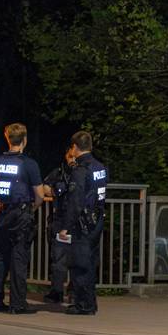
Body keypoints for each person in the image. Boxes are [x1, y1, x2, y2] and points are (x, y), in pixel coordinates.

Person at [0, 123, 45, 314]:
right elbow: (40, 195)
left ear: (7, 138)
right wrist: (32, 208)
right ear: (25, 140)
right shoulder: (29, 164)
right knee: (18, 259)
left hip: (0, 214)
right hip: (20, 215)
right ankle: (17, 304)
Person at [59, 131, 107, 316]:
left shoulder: (81, 170)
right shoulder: (99, 167)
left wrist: (65, 226)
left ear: (75, 147)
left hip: (83, 223)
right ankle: (90, 303)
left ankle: (82, 305)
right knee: (90, 262)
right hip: (97, 220)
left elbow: (75, 201)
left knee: (79, 264)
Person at [41, 148, 77, 304]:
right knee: (58, 259)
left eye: (74, 157)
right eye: (70, 156)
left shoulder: (83, 172)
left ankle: (74, 292)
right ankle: (57, 291)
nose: (72, 159)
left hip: (77, 221)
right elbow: (45, 187)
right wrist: (56, 191)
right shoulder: (59, 172)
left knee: (77, 259)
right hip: (60, 219)